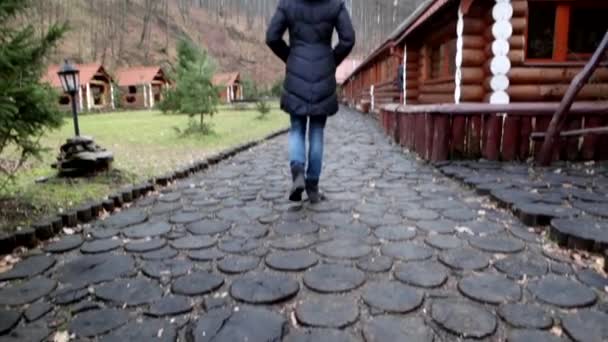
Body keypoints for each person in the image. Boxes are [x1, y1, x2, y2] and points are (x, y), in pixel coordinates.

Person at [266, 0, 355, 204]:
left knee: (297, 128)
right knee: (317, 131)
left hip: (296, 70)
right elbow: (348, 39)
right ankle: (312, 185)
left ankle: (297, 174)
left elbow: (272, 37)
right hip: (323, 71)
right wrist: (332, 60)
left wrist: (290, 56)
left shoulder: (288, 4)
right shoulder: (335, 4)